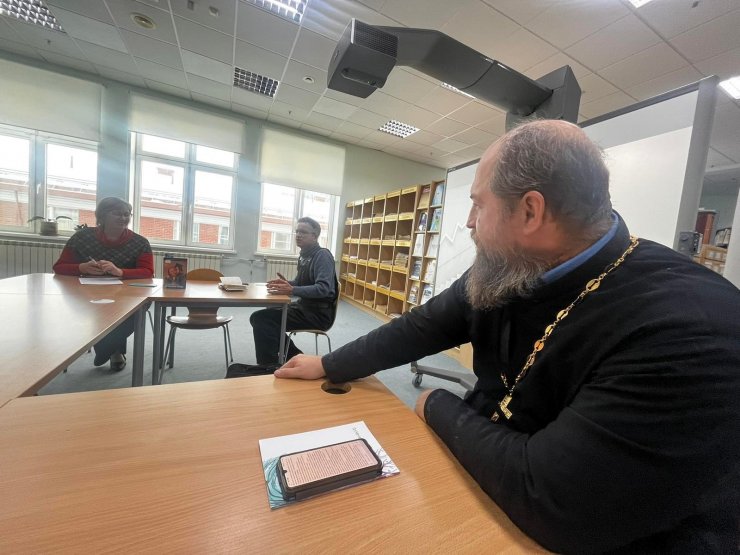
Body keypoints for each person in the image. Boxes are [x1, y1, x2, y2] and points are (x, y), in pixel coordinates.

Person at [272, 121, 740, 553]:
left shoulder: (688, 327)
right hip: (498, 475)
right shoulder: (513, 266)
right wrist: (329, 364)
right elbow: (421, 326)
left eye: (478, 204)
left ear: (530, 211)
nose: (469, 222)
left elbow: (555, 503)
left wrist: (435, 403)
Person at [53, 197, 154, 371]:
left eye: (127, 214)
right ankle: (113, 351)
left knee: (134, 309)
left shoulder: (140, 242)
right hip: (86, 291)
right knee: (97, 307)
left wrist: (120, 272)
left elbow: (148, 272)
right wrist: (81, 267)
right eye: (117, 213)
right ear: (102, 216)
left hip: (126, 294)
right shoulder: (81, 238)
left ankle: (107, 349)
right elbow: (59, 267)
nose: (123, 218)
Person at [250, 216, 337, 365]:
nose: (298, 235)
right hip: (304, 307)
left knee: (261, 318)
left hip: (317, 314)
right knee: (266, 313)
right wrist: (286, 284)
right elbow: (299, 283)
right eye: (297, 231)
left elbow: (324, 289)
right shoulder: (304, 256)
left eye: (303, 232)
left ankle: (268, 366)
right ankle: (294, 356)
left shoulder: (322, 256)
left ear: (314, 236)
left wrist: (292, 289)